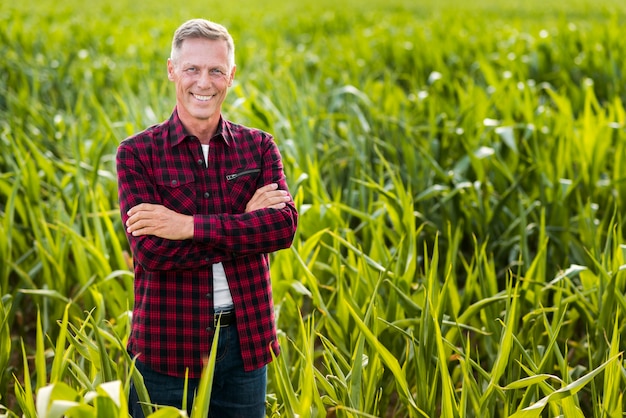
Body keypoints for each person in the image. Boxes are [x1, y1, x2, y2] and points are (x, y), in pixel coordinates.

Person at [116, 18, 298, 417]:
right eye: (192, 69)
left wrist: (187, 226)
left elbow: (282, 228)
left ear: (231, 76)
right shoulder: (137, 154)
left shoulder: (259, 147)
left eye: (216, 70)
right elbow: (152, 253)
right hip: (167, 346)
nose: (204, 82)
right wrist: (244, 226)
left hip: (246, 344)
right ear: (172, 71)